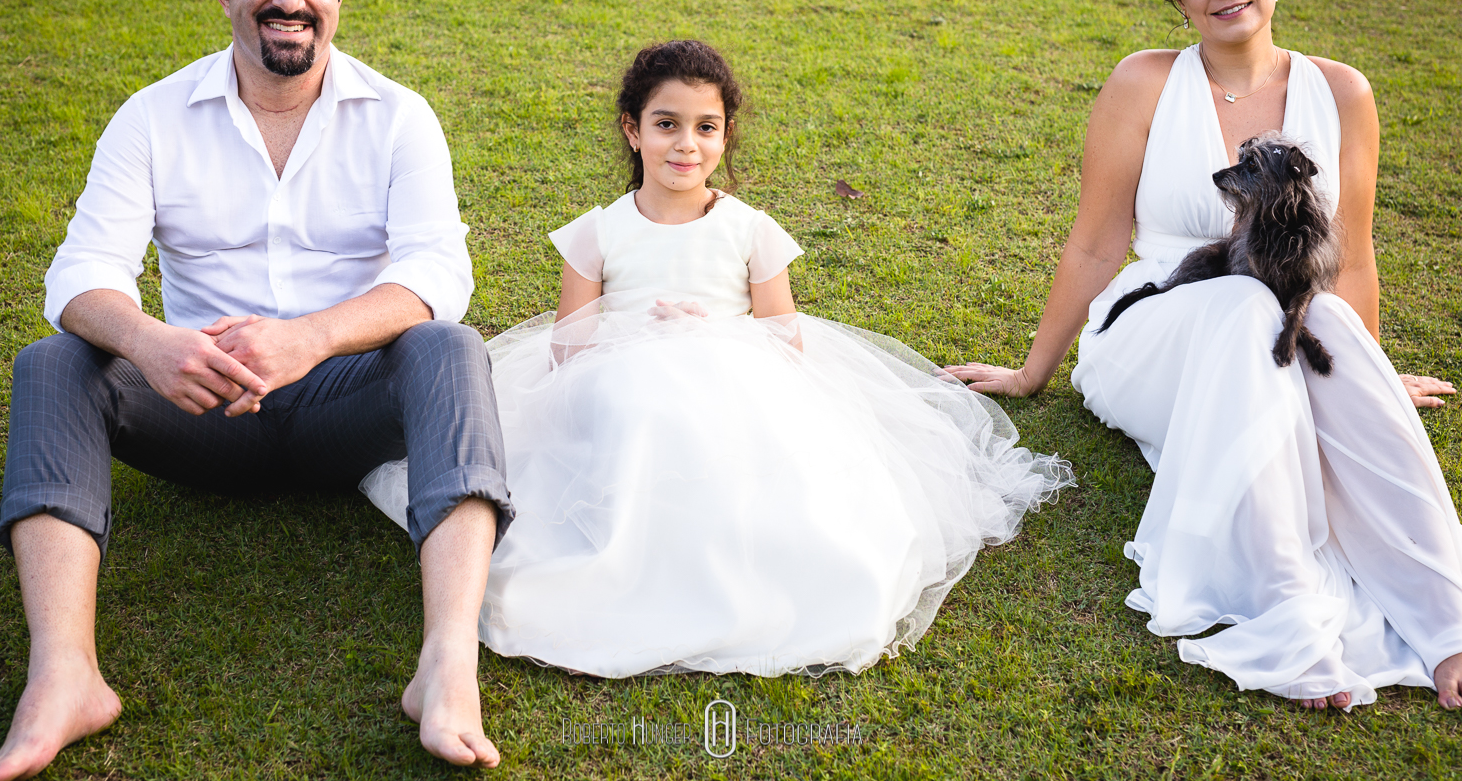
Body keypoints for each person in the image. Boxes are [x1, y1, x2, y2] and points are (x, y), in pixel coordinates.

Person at [0, 0, 512, 781]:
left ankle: (448, 664)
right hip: (201, 408)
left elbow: (437, 273)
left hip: (345, 404)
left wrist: (312, 338)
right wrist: (151, 343)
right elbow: (80, 274)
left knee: (448, 346)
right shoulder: (152, 116)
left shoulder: (399, 115)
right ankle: (65, 674)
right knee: (55, 362)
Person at [359, 40, 1074, 677]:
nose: (686, 145)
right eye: (666, 124)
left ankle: (739, 562)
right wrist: (642, 334)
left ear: (726, 135)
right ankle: (632, 561)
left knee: (726, 415)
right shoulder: (597, 233)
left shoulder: (749, 230)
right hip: (618, 378)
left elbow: (785, 340)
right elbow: (568, 348)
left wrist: (709, 335)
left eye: (706, 128)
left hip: (734, 372)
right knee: (645, 405)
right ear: (633, 130)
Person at [946, 0, 1462, 711]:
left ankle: (1448, 620)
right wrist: (1032, 371)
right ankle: (1286, 612)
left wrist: (1365, 373)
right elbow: (1095, 243)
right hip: (1154, 327)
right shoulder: (1144, 82)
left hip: (1288, 328)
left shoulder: (1343, 91)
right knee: (1246, 305)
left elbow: (1352, 255)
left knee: (1316, 316)